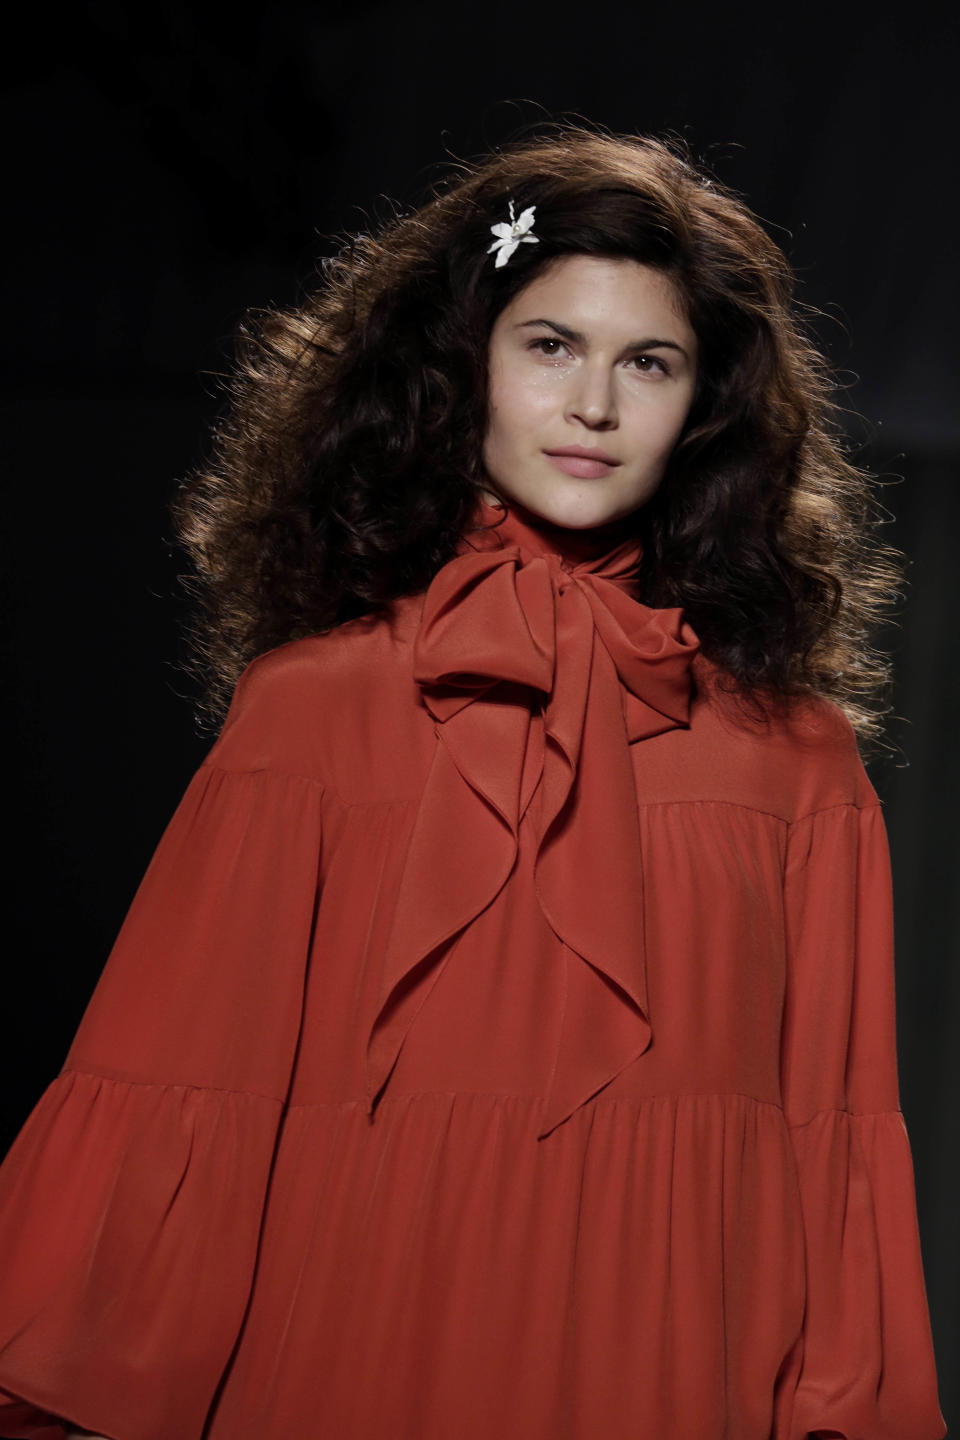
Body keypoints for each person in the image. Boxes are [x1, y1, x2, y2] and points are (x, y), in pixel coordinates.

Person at [0, 123, 947, 1440]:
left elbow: (831, 1137)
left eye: (650, 363)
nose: (595, 407)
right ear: (462, 367)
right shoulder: (313, 715)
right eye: (550, 345)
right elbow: (182, 1087)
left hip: (671, 1364)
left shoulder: (796, 763)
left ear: (704, 409)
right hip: (349, 1341)